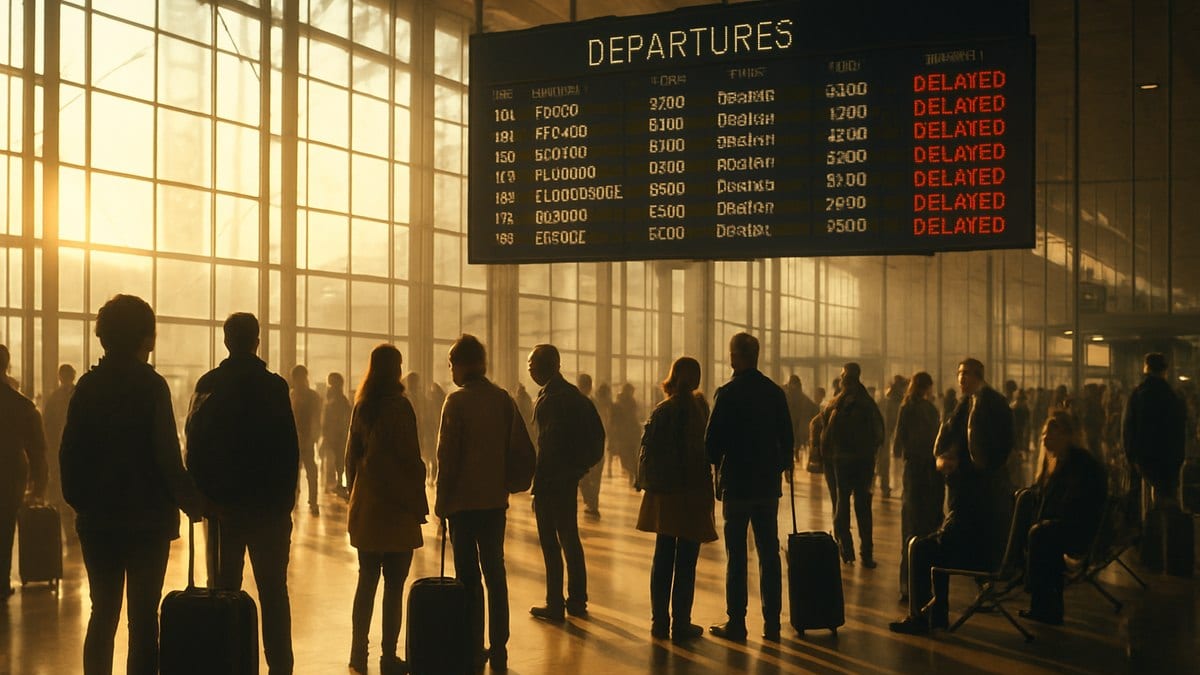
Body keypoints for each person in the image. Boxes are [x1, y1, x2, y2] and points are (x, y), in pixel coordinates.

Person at [59, 295, 209, 674]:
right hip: (147, 522)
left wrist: (82, 504)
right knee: (143, 620)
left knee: (103, 613)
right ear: (147, 337)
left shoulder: (87, 387)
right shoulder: (151, 386)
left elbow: (69, 453)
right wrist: (192, 501)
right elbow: (166, 455)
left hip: (98, 522)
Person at [184, 312, 300, 675]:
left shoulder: (209, 384)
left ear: (226, 341)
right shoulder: (274, 387)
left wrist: (203, 498)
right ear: (257, 341)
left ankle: (226, 664)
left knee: (224, 592)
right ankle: (280, 667)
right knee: (273, 593)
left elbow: (194, 443)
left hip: (222, 511)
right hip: (268, 510)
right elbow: (288, 448)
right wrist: (284, 503)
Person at [890, 357, 1013, 635]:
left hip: (972, 519)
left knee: (922, 549)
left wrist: (954, 463)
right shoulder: (973, 404)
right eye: (959, 373)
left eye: (967, 373)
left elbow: (979, 451)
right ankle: (936, 612)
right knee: (935, 541)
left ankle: (923, 616)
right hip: (974, 512)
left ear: (978, 375)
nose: (961, 378)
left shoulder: (980, 405)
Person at [435, 334, 528, 671]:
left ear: (464, 364)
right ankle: (499, 645)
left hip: (462, 505)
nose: (450, 370)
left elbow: (447, 459)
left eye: (451, 363)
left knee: (468, 578)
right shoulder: (503, 399)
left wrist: (441, 503)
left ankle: (473, 645)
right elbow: (517, 447)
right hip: (494, 502)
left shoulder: (456, 402)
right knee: (495, 572)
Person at [345, 345, 428, 674]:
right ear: (396, 370)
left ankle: (357, 652)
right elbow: (411, 459)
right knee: (394, 586)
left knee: (366, 582)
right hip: (397, 508)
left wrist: (357, 493)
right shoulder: (400, 407)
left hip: (368, 506)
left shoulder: (362, 406)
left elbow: (350, 458)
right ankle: (389, 655)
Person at [705, 333, 793, 641]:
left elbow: (711, 443)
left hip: (737, 484)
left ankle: (737, 622)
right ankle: (772, 623)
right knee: (769, 552)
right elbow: (787, 438)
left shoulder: (727, 393)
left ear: (734, 357)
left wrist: (716, 466)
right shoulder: (774, 392)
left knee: (737, 555)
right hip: (767, 486)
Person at [635, 357, 718, 643]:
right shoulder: (701, 410)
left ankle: (659, 622)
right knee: (686, 561)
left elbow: (648, 452)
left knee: (663, 556)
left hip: (666, 495)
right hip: (693, 492)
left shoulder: (663, 411)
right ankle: (682, 622)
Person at [527, 344, 605, 622]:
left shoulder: (551, 400)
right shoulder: (574, 397)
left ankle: (555, 602)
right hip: (565, 480)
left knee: (551, 542)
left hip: (551, 482)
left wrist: (540, 483)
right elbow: (597, 439)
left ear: (551, 364)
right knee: (570, 539)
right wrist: (578, 470)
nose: (529, 368)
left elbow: (546, 449)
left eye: (533, 363)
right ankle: (577, 599)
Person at [1020, 411, 1108, 625]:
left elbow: (1077, 504)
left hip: (1078, 530)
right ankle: (1042, 605)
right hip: (1062, 527)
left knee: (1041, 535)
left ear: (1068, 435)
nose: (1045, 437)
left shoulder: (1081, 464)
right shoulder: (1056, 462)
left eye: (1052, 432)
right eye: (1044, 433)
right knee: (1034, 528)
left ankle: (1036, 594)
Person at [823, 362, 885, 567]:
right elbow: (879, 434)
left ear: (844, 378)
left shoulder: (835, 404)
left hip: (840, 462)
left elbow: (826, 434)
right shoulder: (868, 404)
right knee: (863, 508)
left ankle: (846, 551)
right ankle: (866, 554)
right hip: (864, 463)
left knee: (841, 505)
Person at [1, 344, 48, 600]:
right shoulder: (22, 406)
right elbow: (38, 451)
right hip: (9, 477)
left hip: (11, 475)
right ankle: (1, 580)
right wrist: (39, 486)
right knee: (5, 529)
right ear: (6, 366)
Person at [892, 372, 943, 602]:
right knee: (928, 525)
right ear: (928, 387)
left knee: (910, 526)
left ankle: (906, 584)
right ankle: (927, 583)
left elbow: (898, 442)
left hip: (912, 471)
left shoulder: (907, 408)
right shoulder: (931, 410)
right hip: (931, 471)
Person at [1123, 352, 1187, 512]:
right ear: (1165, 371)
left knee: (1145, 502)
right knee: (1166, 499)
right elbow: (1179, 430)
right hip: (1167, 458)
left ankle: (1149, 528)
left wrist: (1131, 457)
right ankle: (1167, 530)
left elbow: (1128, 427)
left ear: (1146, 368)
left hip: (1143, 458)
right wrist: (1178, 458)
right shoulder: (1172, 396)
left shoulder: (1138, 394)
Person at [290, 365, 322, 516]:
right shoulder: (302, 396)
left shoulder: (293, 396)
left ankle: (308, 500)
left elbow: (316, 419)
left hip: (302, 440)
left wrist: (313, 438)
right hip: (300, 439)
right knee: (307, 472)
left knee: (304, 471)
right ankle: (310, 501)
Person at [42, 363, 75, 503]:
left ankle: (59, 504)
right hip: (75, 445)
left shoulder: (54, 399)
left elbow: (47, 424)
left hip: (57, 445)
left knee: (58, 477)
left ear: (60, 377)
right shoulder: (80, 394)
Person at [577, 373, 604, 519]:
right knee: (594, 478)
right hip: (596, 446)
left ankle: (591, 503)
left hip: (584, 448)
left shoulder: (576, 402)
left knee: (585, 478)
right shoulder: (595, 402)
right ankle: (593, 504)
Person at [321, 372, 352, 497]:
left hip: (337, 435)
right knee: (337, 459)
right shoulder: (340, 400)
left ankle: (338, 482)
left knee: (337, 459)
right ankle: (338, 482)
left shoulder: (338, 401)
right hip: (336, 435)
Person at [609, 383, 642, 483]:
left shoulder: (619, 403)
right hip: (629, 433)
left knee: (627, 456)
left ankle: (633, 474)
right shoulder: (630, 402)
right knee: (631, 455)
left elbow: (613, 421)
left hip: (625, 434)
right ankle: (634, 474)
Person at [880, 374, 906, 498]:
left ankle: (882, 486)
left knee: (882, 461)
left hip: (884, 433)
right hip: (889, 433)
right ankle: (886, 486)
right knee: (886, 461)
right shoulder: (900, 403)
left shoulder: (886, 400)